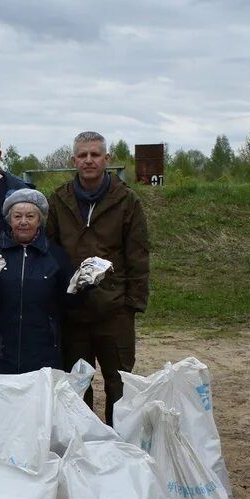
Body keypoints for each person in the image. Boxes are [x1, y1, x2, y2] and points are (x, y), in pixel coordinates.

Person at [46, 131, 150, 425]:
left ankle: (121, 444)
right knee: (77, 384)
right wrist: (58, 299)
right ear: (73, 160)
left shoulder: (127, 200)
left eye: (95, 154)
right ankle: (84, 445)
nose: (88, 160)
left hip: (115, 310)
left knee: (120, 384)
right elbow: (51, 251)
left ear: (107, 159)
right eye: (82, 155)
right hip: (73, 311)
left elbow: (139, 255)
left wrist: (132, 304)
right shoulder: (59, 200)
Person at [0, 189, 73, 374]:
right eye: (18, 216)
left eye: (30, 216)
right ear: (9, 220)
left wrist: (83, 287)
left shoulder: (55, 255)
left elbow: (67, 301)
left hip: (42, 347)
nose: (23, 222)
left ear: (40, 220)